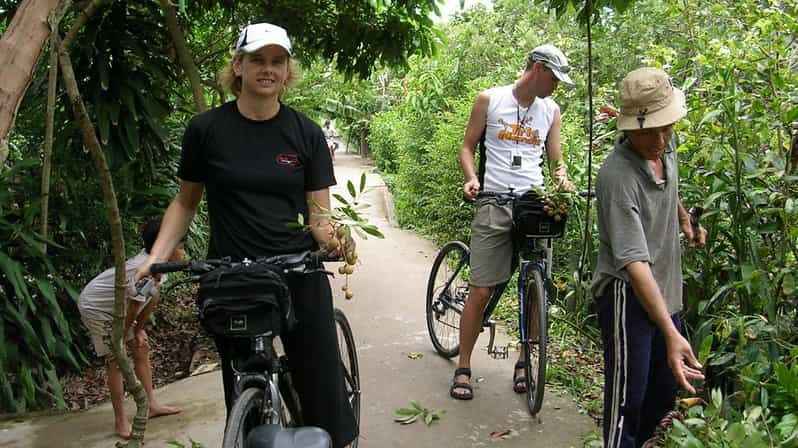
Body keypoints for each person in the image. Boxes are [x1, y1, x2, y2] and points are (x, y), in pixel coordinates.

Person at [132, 23, 358, 448]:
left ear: (288, 71)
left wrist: (335, 241)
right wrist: (155, 256)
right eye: (257, 60)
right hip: (232, 276)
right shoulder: (207, 130)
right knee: (241, 381)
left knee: (320, 380)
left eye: (277, 61)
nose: (268, 69)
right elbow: (185, 202)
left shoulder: (305, 132)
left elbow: (318, 214)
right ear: (238, 65)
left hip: (296, 270)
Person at [452, 44, 576, 400]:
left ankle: (524, 361)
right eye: (554, 78)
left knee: (536, 283)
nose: (556, 86)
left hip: (533, 204)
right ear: (537, 68)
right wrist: (472, 177)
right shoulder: (489, 100)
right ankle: (463, 365)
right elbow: (467, 146)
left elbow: (556, 162)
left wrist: (563, 182)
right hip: (494, 201)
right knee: (482, 288)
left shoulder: (551, 111)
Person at [591, 67, 707, 447]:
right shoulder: (617, 177)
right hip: (629, 295)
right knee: (628, 401)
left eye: (665, 128)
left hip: (665, 289)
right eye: (647, 132)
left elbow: (668, 187)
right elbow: (634, 263)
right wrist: (672, 333)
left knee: (661, 396)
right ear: (628, 129)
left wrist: (685, 219)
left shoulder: (664, 145)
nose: (658, 140)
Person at [77, 217, 184, 439]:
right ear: (164, 247)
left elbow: (151, 298)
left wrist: (139, 329)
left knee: (141, 348)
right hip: (97, 306)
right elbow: (134, 306)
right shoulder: (144, 268)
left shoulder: (158, 267)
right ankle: (120, 422)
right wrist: (125, 334)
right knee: (116, 360)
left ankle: (151, 405)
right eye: (180, 247)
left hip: (121, 307)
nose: (183, 253)